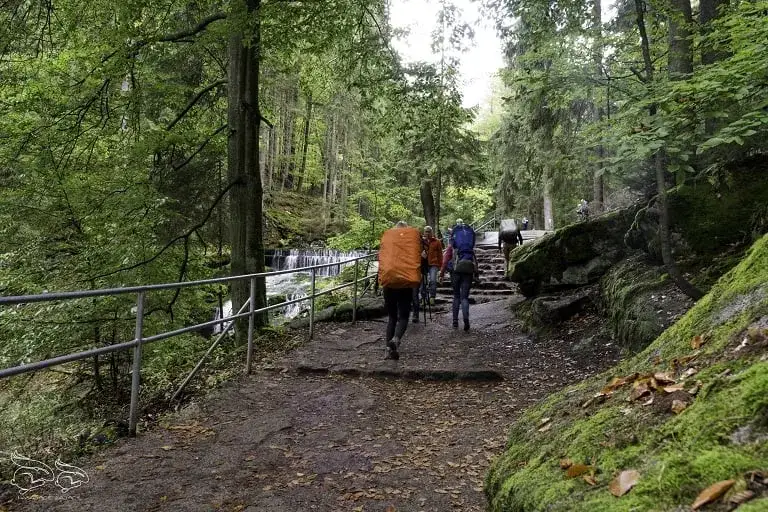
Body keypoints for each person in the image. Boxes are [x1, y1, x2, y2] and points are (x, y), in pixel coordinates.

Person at [378, 220, 422, 360]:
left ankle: (387, 349)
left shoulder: (388, 237)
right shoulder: (411, 238)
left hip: (389, 282)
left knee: (392, 317)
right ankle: (396, 339)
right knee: (403, 316)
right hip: (405, 283)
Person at [450, 219, 476, 331]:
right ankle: (466, 319)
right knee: (464, 297)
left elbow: (449, 255)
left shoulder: (455, 239)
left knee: (456, 296)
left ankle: (455, 321)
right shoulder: (470, 235)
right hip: (468, 268)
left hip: (456, 270)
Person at [422, 226, 443, 307]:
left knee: (433, 280)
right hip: (423, 264)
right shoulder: (421, 242)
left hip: (434, 264)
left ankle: (432, 297)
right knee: (423, 282)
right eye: (426, 231)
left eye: (429, 231)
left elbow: (440, 255)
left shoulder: (437, 242)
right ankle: (423, 298)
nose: (427, 233)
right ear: (424, 232)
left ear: (432, 232)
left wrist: (441, 267)